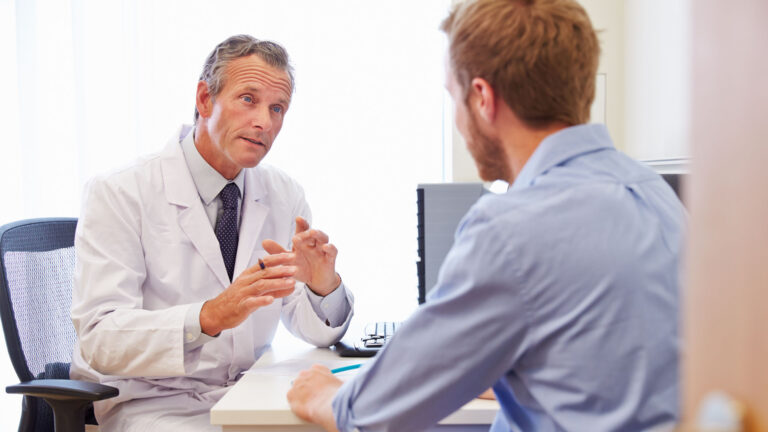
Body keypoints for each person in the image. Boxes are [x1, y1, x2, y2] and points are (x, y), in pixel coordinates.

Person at [287, 0, 685, 430]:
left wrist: (324, 394)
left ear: (481, 98)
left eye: (452, 99)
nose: (457, 121)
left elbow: (372, 414)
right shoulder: (660, 198)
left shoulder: (510, 230)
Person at [70, 34, 354, 431]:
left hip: (250, 396)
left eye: (278, 108)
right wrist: (209, 317)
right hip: (154, 405)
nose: (264, 122)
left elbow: (310, 330)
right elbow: (100, 338)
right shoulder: (120, 191)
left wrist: (323, 287)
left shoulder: (284, 193)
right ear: (205, 99)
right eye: (248, 99)